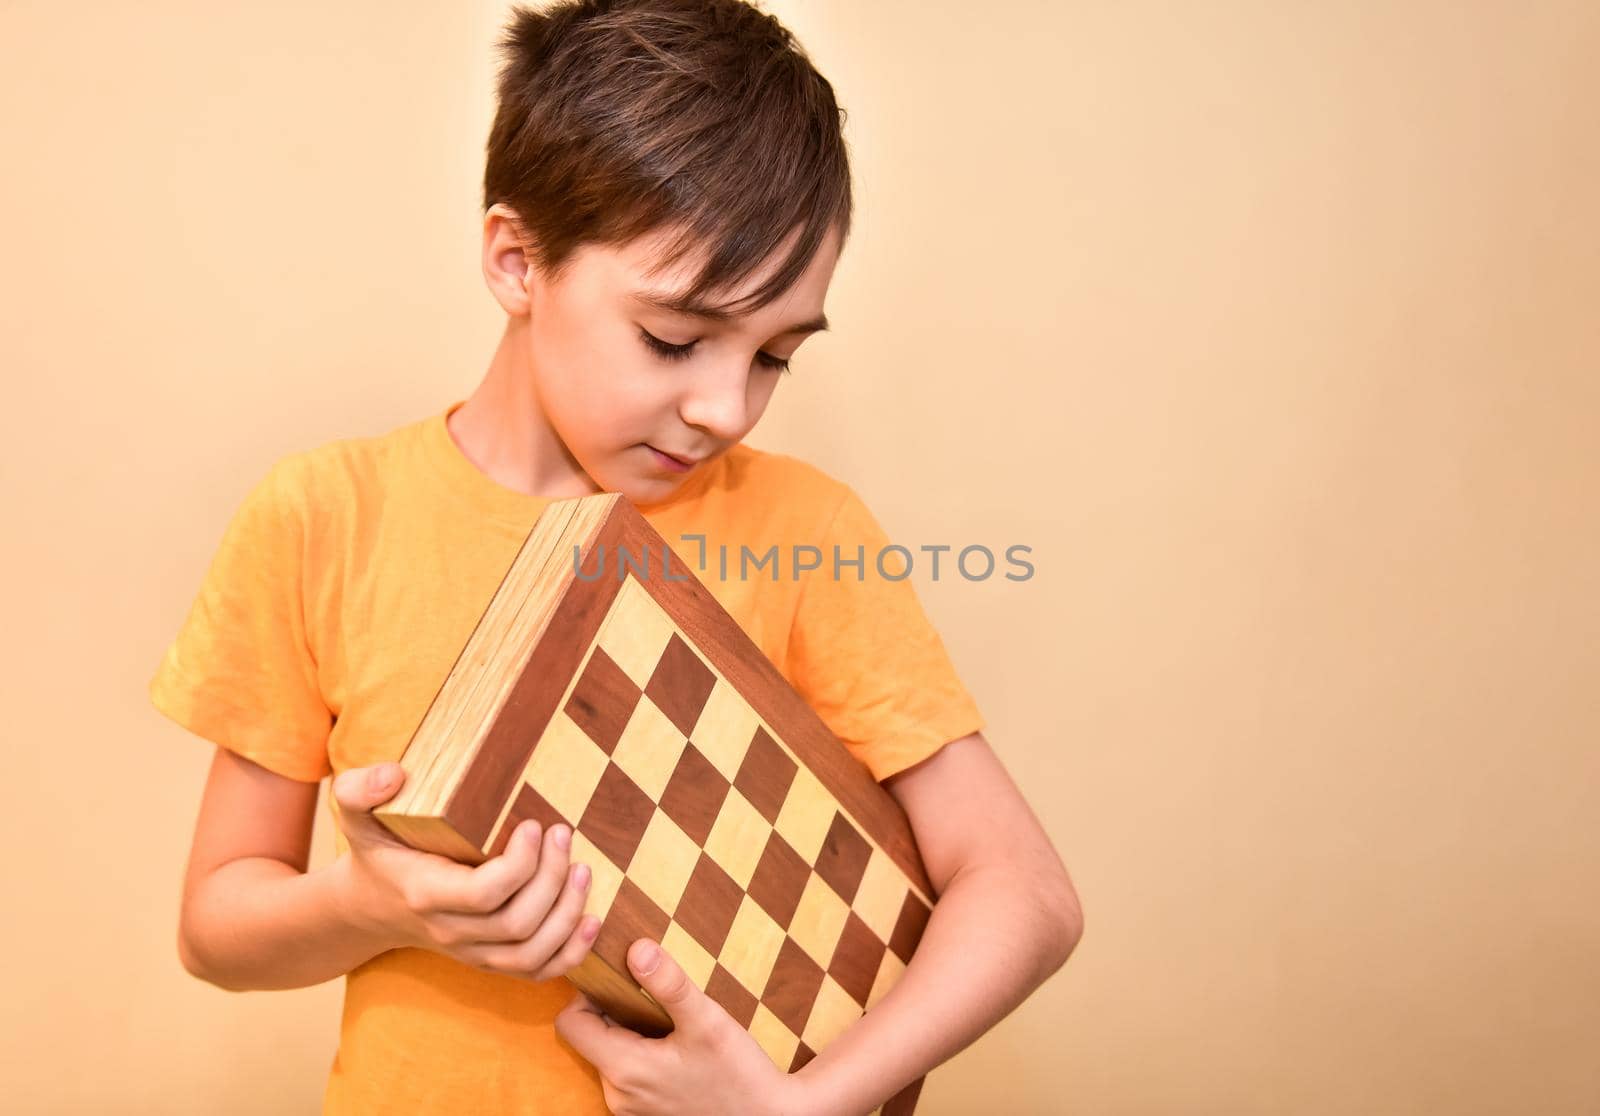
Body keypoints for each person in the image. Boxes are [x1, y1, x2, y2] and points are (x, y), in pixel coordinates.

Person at [148, 1, 1084, 1112]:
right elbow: (217, 928)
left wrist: (802, 1107)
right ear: (515, 259)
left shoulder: (802, 529)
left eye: (775, 354)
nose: (725, 406)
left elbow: (1023, 891)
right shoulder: (325, 517)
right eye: (675, 339)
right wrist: (378, 902)